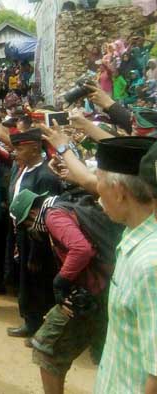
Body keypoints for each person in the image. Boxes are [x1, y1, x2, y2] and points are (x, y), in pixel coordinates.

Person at [10, 189, 121, 394]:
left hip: (92, 290)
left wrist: (61, 280)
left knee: (45, 349)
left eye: (27, 225)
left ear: (33, 214)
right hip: (105, 288)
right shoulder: (66, 205)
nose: (32, 230)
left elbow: (81, 249)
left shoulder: (53, 216)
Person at [94, 137, 157, 393]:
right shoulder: (133, 237)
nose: (97, 197)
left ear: (119, 191)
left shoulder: (150, 265)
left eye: (98, 184)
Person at [6, 129, 63, 341]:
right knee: (25, 281)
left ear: (35, 148)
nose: (15, 153)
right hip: (21, 234)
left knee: (40, 284)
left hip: (37, 239)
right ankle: (30, 322)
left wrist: (36, 253)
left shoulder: (45, 176)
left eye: (19, 149)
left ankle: (41, 329)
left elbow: (44, 217)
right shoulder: (23, 170)